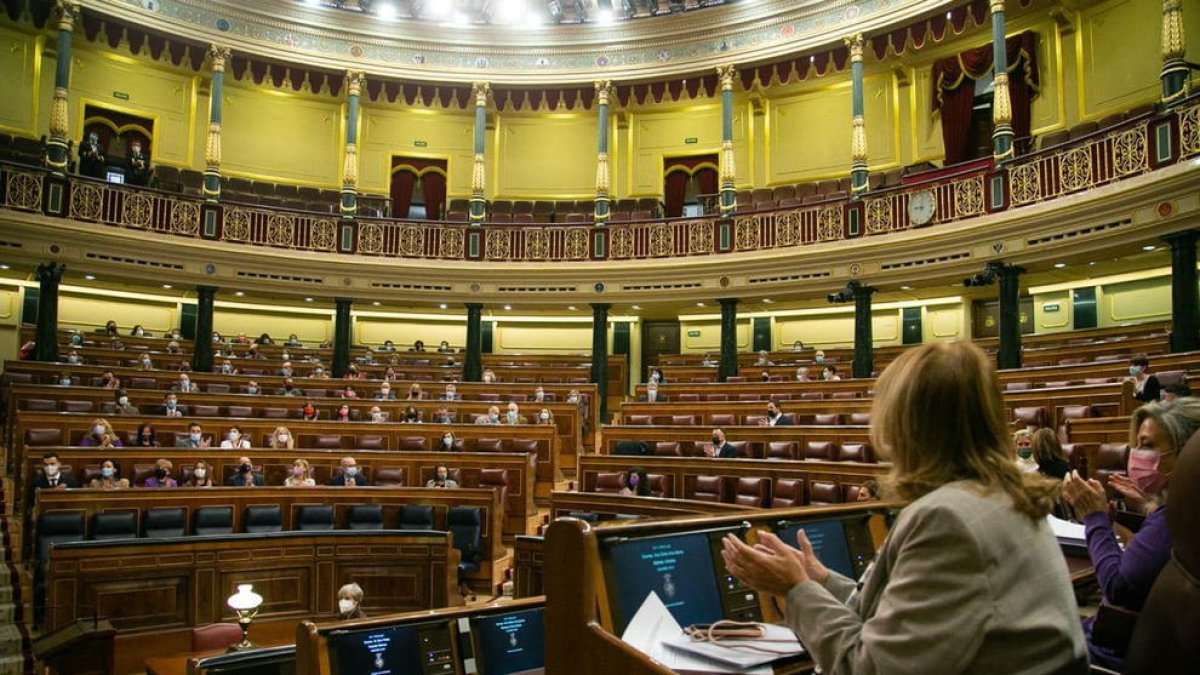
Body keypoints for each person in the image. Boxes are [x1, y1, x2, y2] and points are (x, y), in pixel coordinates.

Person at [720, 341, 1087, 675]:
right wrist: (821, 580)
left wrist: (794, 589)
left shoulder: (949, 519)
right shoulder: (1001, 497)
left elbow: (868, 667)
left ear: (905, 424)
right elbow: (894, 618)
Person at [1061, 398, 1197, 669]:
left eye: (1148, 445)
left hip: (1101, 656)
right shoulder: (1188, 510)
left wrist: (1094, 517)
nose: (1136, 454)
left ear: (1186, 452)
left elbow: (1116, 585)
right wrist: (1149, 506)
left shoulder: (1170, 519)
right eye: (1137, 444)